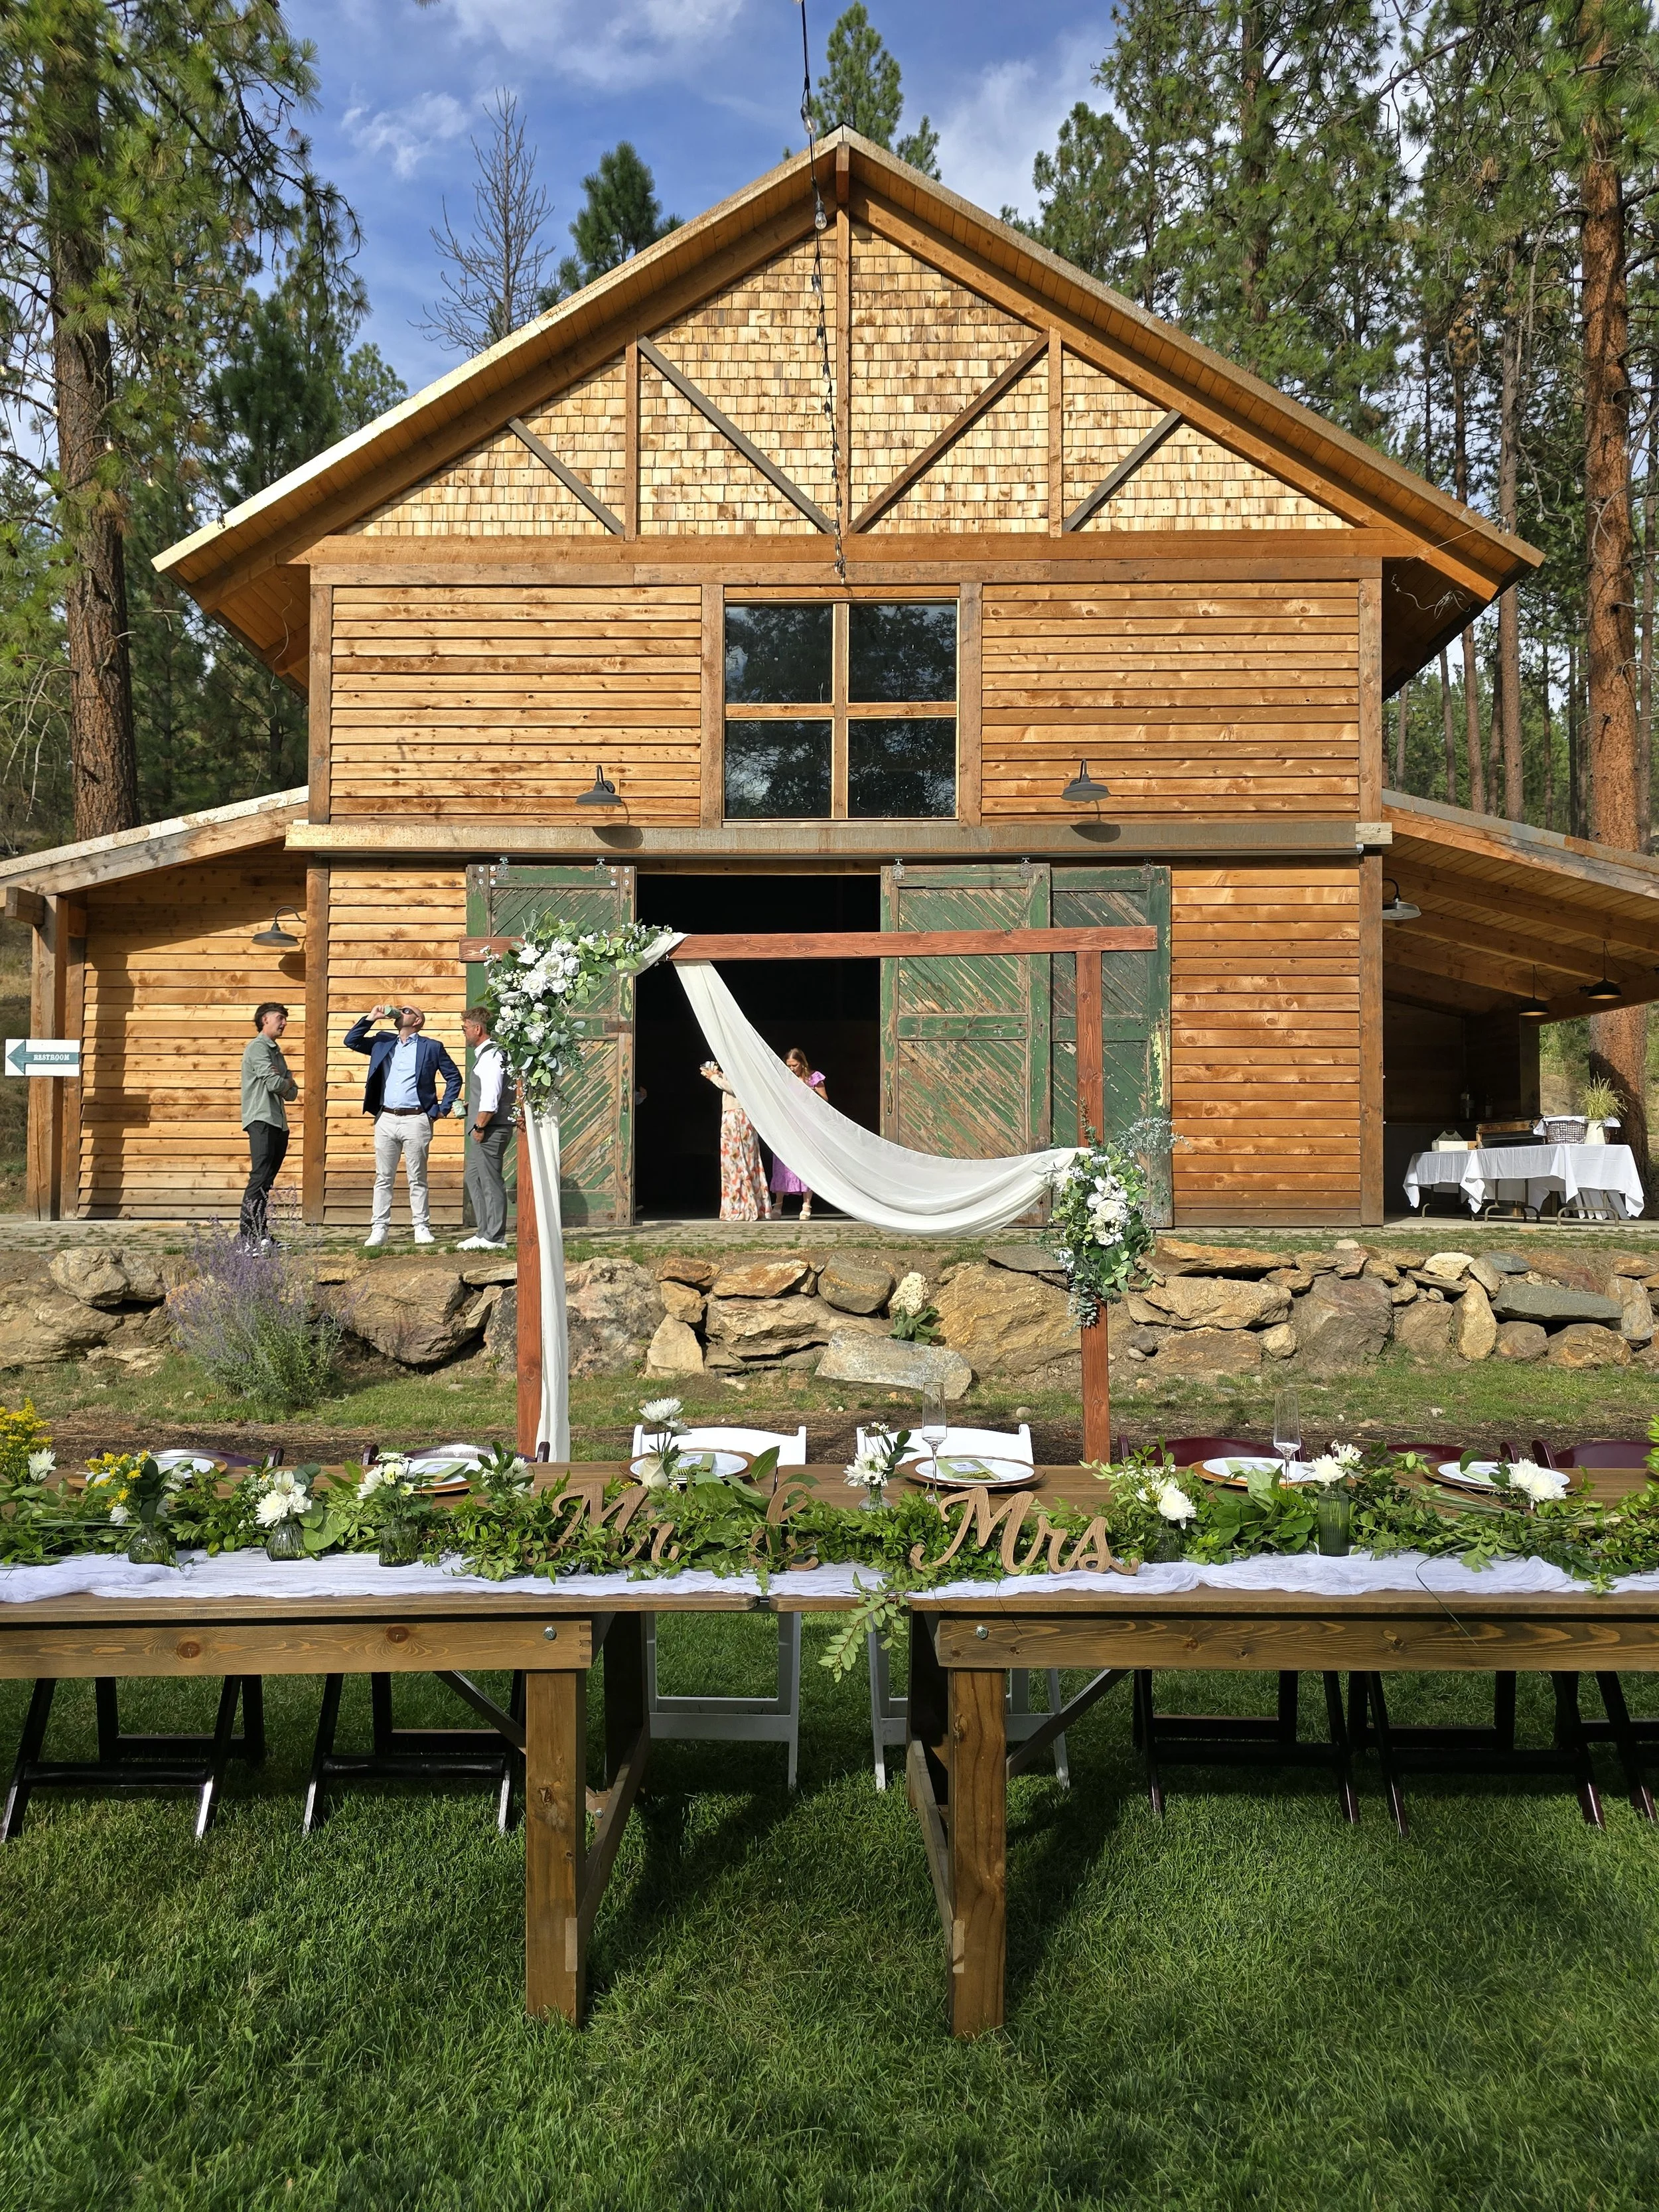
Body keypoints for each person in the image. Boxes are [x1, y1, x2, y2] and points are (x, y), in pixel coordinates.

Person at [344, 1001, 462, 1248]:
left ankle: (421, 1227)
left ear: (417, 1021)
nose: (400, 1011)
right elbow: (351, 1041)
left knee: (417, 1177)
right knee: (383, 1177)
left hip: (417, 1119)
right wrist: (372, 1018)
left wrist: (442, 1109)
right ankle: (379, 1229)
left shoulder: (432, 1047)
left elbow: (454, 1077)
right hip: (385, 1117)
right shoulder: (383, 1042)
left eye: (407, 1011)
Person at [239, 1001, 298, 1249]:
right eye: (280, 1018)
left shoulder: (276, 1051)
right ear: (265, 1020)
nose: (284, 1023)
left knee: (267, 1180)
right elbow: (277, 1084)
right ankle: (246, 1238)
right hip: (261, 1119)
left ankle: (262, 1236)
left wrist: (284, 1080)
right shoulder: (257, 1048)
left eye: (285, 1019)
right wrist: (284, 1080)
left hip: (278, 1123)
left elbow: (293, 1092)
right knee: (259, 1176)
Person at [457, 1005, 510, 1252]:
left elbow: (492, 1093)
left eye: (465, 1028)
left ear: (477, 1029)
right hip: (483, 1124)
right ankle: (483, 1232)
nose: (464, 1032)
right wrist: (473, 1105)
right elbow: (485, 1094)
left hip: (490, 1127)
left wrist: (480, 1124)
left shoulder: (492, 1055)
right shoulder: (484, 1054)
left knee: (490, 1181)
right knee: (475, 1177)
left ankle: (495, 1237)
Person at [701, 1060, 772, 1220]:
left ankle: (744, 1205)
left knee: (739, 1161)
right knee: (734, 1162)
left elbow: (735, 1088)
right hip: (734, 1114)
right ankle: (740, 1204)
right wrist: (718, 1076)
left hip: (737, 1116)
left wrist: (715, 1078)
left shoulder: (740, 1065)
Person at [769, 1048, 828, 1220]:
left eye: (794, 1065)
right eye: (788, 1066)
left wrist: (811, 1093)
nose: (792, 1069)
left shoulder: (814, 1079)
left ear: (802, 1063)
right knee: (783, 1165)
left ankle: (807, 1204)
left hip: (807, 1128)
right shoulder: (784, 1080)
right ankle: (778, 1205)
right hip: (788, 1127)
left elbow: (825, 1101)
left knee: (807, 1163)